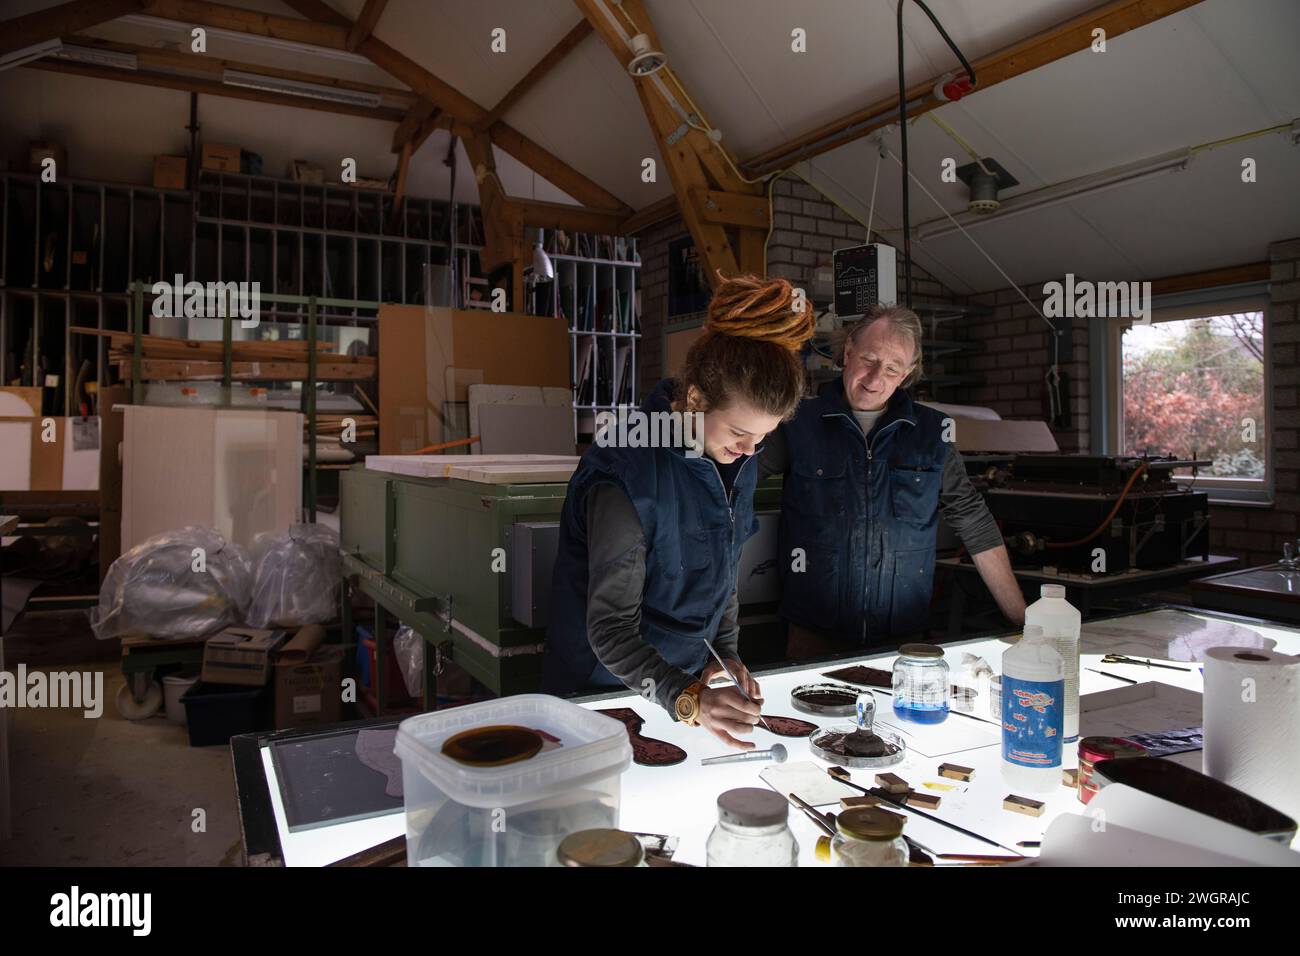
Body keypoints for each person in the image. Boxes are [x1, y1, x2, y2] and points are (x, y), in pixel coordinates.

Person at [543, 275, 815, 749]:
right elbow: (609, 630)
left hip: (680, 690)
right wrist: (685, 698)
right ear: (694, 400)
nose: (751, 451)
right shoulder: (626, 469)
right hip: (599, 692)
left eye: (764, 437)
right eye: (738, 433)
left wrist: (724, 654)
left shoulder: (735, 458)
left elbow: (725, 570)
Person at [761, 304, 1025, 659]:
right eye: (868, 360)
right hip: (813, 636)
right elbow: (733, 483)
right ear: (848, 351)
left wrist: (1024, 622)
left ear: (907, 374)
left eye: (891, 369)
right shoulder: (798, 423)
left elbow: (973, 519)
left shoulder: (932, 433)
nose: (874, 380)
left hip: (905, 641)